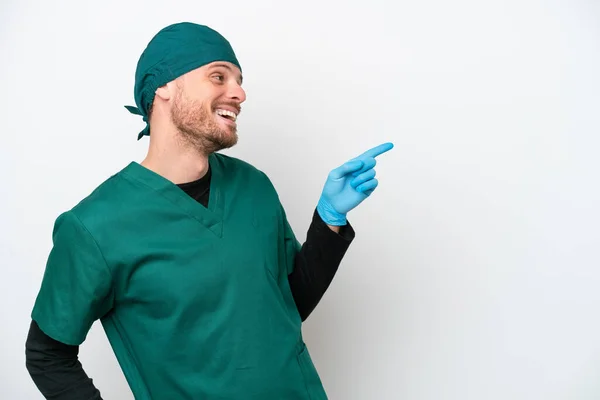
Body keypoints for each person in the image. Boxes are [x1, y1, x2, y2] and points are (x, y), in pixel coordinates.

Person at [25, 22, 393, 399]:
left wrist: (328, 221)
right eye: (219, 76)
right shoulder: (94, 227)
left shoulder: (254, 187)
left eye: (239, 80)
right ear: (163, 87)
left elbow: (288, 304)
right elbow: (47, 355)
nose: (240, 93)